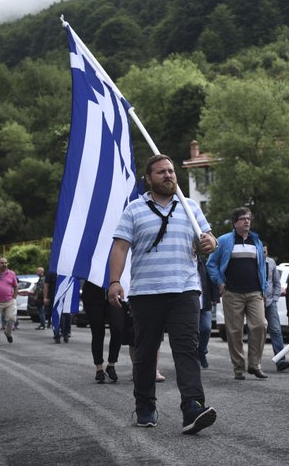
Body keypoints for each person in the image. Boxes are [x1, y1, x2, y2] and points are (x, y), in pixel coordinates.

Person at [108, 154, 218, 434]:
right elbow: (120, 247)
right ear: (148, 178)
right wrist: (115, 281)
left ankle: (193, 406)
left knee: (187, 350)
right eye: (161, 172)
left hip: (185, 290)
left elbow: (209, 240)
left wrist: (209, 243)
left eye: (171, 171)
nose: (168, 175)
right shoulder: (134, 209)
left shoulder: (190, 206)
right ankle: (145, 405)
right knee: (145, 353)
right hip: (146, 293)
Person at [206, 207, 268, 380]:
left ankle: (255, 365)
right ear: (235, 223)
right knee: (235, 332)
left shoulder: (256, 241)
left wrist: (264, 288)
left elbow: (262, 267)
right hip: (232, 293)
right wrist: (220, 282)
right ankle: (239, 368)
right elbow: (211, 264)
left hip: (255, 292)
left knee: (260, 325)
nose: (247, 221)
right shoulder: (224, 240)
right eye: (242, 219)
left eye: (248, 218)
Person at [82, 280, 126, 383]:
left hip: (115, 292)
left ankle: (111, 364)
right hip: (93, 292)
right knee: (97, 332)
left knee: (118, 328)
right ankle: (99, 368)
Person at [263, 244, 289, 372]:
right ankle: (254, 362)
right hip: (255, 301)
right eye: (261, 251)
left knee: (275, 330)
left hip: (270, 302)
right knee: (257, 331)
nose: (263, 253)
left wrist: (275, 299)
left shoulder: (271, 263)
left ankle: (280, 360)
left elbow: (276, 283)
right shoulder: (253, 261)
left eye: (265, 251)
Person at [196, 253, 219, 369]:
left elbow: (212, 279)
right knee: (191, 332)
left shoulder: (204, 262)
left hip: (205, 302)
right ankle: (192, 357)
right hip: (190, 303)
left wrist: (215, 298)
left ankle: (202, 351)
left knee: (206, 328)